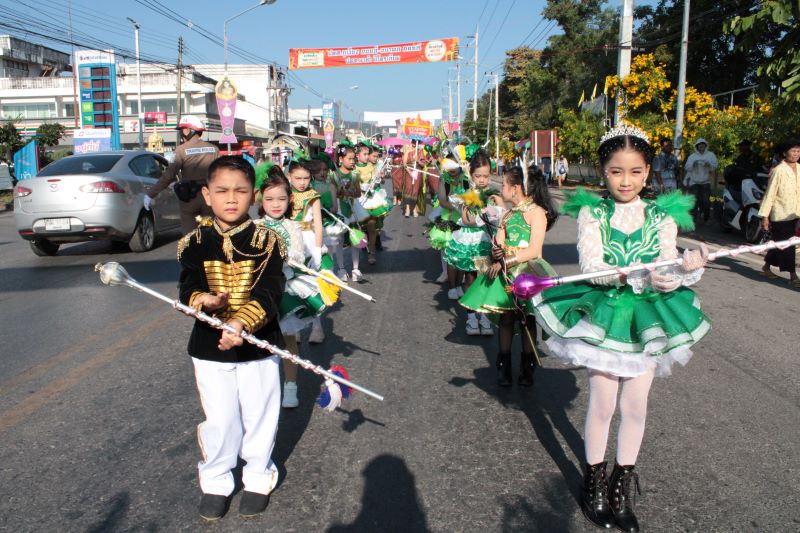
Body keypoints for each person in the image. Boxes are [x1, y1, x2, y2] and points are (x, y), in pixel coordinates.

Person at [533, 126, 710, 532]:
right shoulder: (593, 213)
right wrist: (627, 273)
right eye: (616, 172)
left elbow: (667, 267)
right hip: (607, 313)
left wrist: (682, 271)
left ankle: (621, 483)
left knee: (635, 406)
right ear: (603, 172)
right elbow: (592, 267)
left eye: (634, 172)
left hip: (647, 318)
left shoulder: (662, 216)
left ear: (647, 172)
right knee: (602, 404)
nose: (625, 181)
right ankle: (593, 479)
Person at [177, 155, 286, 520]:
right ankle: (216, 480)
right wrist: (202, 300)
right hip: (209, 347)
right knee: (221, 419)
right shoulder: (193, 243)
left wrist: (241, 322)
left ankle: (258, 475)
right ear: (207, 195)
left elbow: (271, 290)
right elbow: (187, 286)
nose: (231, 198)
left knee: (260, 414)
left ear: (253, 196)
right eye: (222, 191)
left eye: (240, 191)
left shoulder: (268, 241)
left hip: (258, 343)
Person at [460, 166, 557, 386]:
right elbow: (500, 243)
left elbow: (534, 251)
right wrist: (496, 253)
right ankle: (503, 366)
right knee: (506, 317)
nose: (501, 187)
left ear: (516, 188)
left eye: (504, 184)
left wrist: (506, 260)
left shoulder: (537, 213)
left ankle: (527, 367)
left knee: (526, 320)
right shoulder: (507, 215)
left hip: (528, 275)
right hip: (506, 275)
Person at [257, 164, 339, 409]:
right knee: (260, 341)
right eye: (270, 199)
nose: (275, 204)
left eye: (281, 199)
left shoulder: (292, 226)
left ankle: (290, 385)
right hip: (259, 290)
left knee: (287, 338)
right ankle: (264, 389)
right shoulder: (254, 226)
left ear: (289, 200)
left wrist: (282, 256)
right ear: (261, 200)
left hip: (285, 286)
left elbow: (296, 254)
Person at [444, 149, 502, 336]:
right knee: (470, 278)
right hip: (471, 241)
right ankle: (471, 317)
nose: (482, 180)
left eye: (486, 176)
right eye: (478, 176)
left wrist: (494, 211)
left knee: (484, 278)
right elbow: (466, 219)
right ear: (471, 174)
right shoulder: (467, 194)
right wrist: (482, 213)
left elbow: (503, 214)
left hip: (487, 241)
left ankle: (484, 316)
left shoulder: (493, 194)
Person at [146, 115, 219, 233]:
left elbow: (168, 176)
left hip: (190, 198)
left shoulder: (180, 150)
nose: (182, 133)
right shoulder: (214, 149)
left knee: (189, 237)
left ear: (191, 131)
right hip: (209, 197)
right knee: (211, 233)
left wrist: (150, 194)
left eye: (183, 130)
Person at [286, 155, 329, 345]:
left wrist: (318, 250)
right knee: (291, 286)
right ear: (289, 177)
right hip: (289, 240)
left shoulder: (313, 196)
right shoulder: (284, 194)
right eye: (298, 178)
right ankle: (294, 328)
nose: (302, 182)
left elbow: (318, 225)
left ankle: (317, 328)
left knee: (311, 286)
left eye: (306, 178)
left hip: (309, 242)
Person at [759, 139, 800, 287]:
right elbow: (770, 194)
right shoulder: (778, 170)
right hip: (780, 214)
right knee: (787, 245)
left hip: (796, 213)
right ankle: (793, 276)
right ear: (785, 153)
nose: (796, 154)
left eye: (798, 151)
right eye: (793, 151)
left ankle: (766, 267)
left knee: (780, 243)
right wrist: (765, 216)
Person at [428, 156, 467, 286]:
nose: (452, 168)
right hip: (448, 217)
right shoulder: (443, 179)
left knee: (463, 247)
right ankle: (445, 272)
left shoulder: (466, 178)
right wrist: (456, 207)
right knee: (445, 247)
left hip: (464, 218)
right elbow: (442, 200)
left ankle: (461, 273)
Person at [683, 138, 718, 223]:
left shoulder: (711, 155)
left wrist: (709, 164)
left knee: (706, 201)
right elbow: (687, 167)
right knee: (694, 200)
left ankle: (706, 217)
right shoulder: (692, 156)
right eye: (700, 144)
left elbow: (715, 166)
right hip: (694, 182)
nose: (701, 146)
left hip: (706, 181)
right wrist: (693, 164)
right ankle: (693, 219)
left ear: (706, 145)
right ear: (697, 146)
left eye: (703, 144)